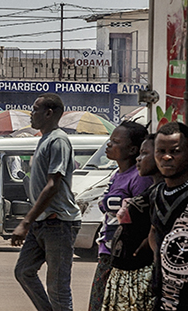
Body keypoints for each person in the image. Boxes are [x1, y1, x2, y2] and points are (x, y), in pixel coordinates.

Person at [11, 93, 80, 311]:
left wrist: (25, 222)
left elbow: (53, 185)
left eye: (35, 109)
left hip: (58, 223)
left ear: (49, 113)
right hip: (43, 222)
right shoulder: (45, 138)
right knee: (23, 271)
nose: (31, 114)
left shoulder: (58, 140)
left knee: (58, 288)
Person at [89, 121, 152, 311]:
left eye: (115, 142)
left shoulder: (140, 178)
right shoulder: (117, 174)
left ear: (132, 149)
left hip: (125, 255)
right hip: (108, 251)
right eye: (110, 140)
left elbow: (142, 218)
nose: (109, 145)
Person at [101, 134, 161, 311]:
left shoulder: (159, 193)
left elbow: (155, 231)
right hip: (124, 273)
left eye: (144, 154)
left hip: (139, 274)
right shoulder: (152, 191)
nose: (138, 159)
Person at [149, 122, 188, 310]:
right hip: (164, 295)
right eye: (160, 151)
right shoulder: (157, 194)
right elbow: (154, 232)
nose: (166, 157)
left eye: (175, 151)